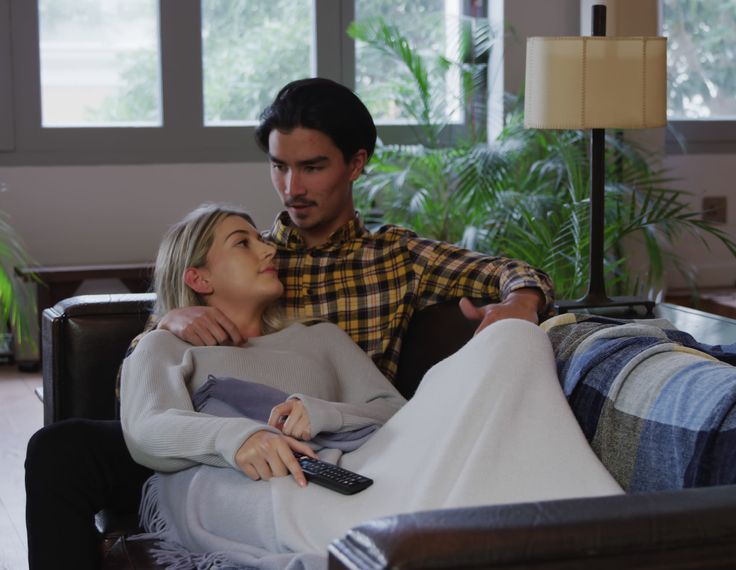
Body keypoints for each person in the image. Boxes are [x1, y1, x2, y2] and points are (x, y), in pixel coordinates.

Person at [25, 78, 555, 569]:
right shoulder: (253, 254)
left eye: (312, 167)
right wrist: (165, 324)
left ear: (356, 164)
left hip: (337, 438)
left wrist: (522, 303)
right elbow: (143, 398)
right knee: (61, 448)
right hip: (207, 424)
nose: (291, 186)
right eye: (279, 166)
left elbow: (510, 272)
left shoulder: (397, 257)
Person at [120, 203, 620, 568]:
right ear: (200, 278)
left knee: (514, 338)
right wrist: (239, 438)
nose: (267, 247)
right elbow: (147, 428)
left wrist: (324, 412)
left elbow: (393, 414)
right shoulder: (163, 346)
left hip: (364, 465)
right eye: (242, 242)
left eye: (260, 236)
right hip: (262, 487)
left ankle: (614, 533)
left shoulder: (319, 337)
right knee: (414, 518)